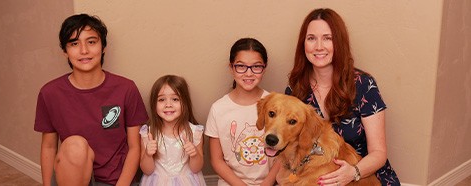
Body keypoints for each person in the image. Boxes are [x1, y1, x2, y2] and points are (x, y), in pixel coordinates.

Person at [285, 8, 400, 185]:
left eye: (327, 38)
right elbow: (289, 145)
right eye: (311, 38)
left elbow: (379, 153)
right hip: (312, 177)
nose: (319, 46)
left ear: (339, 43)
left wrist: (353, 172)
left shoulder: (363, 84)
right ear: (303, 44)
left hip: (363, 176)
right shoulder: (296, 88)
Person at [34, 14, 148, 186]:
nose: (84, 50)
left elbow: (135, 147)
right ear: (65, 51)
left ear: (103, 47)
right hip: (73, 176)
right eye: (74, 43)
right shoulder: (50, 93)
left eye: (91, 42)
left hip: (116, 180)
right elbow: (49, 147)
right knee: (75, 145)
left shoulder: (126, 88)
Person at [205, 38, 281, 186]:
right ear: (231, 67)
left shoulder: (276, 104)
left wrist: (267, 183)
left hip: (271, 182)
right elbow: (216, 160)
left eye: (256, 67)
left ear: (264, 68)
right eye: (241, 66)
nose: (248, 73)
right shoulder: (218, 109)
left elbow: (283, 154)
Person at [139, 75, 206, 186]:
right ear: (154, 104)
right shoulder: (148, 134)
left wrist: (194, 154)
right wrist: (148, 154)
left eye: (175, 99)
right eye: (161, 100)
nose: (168, 105)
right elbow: (147, 170)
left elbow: (196, 168)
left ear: (185, 102)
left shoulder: (195, 133)